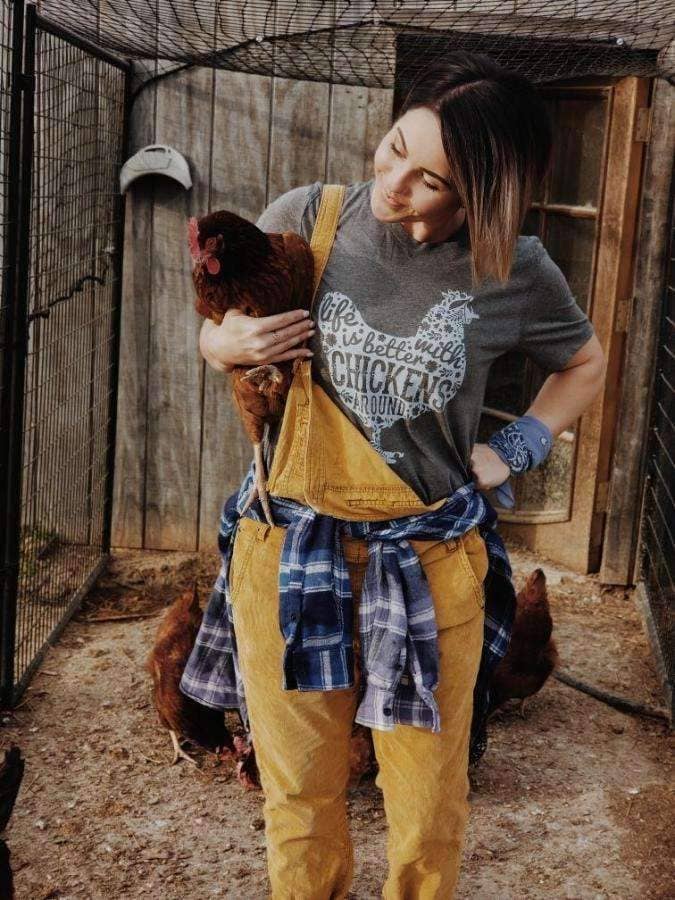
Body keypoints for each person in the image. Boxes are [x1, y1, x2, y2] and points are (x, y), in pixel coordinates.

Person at [189, 52, 606, 898]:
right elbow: (220, 327)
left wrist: (516, 447)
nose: (393, 183)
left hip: (426, 560)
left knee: (425, 801)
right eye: (394, 148)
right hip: (288, 550)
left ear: (481, 195)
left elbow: (584, 362)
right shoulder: (307, 218)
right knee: (299, 793)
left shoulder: (514, 270)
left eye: (429, 180)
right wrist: (221, 342)